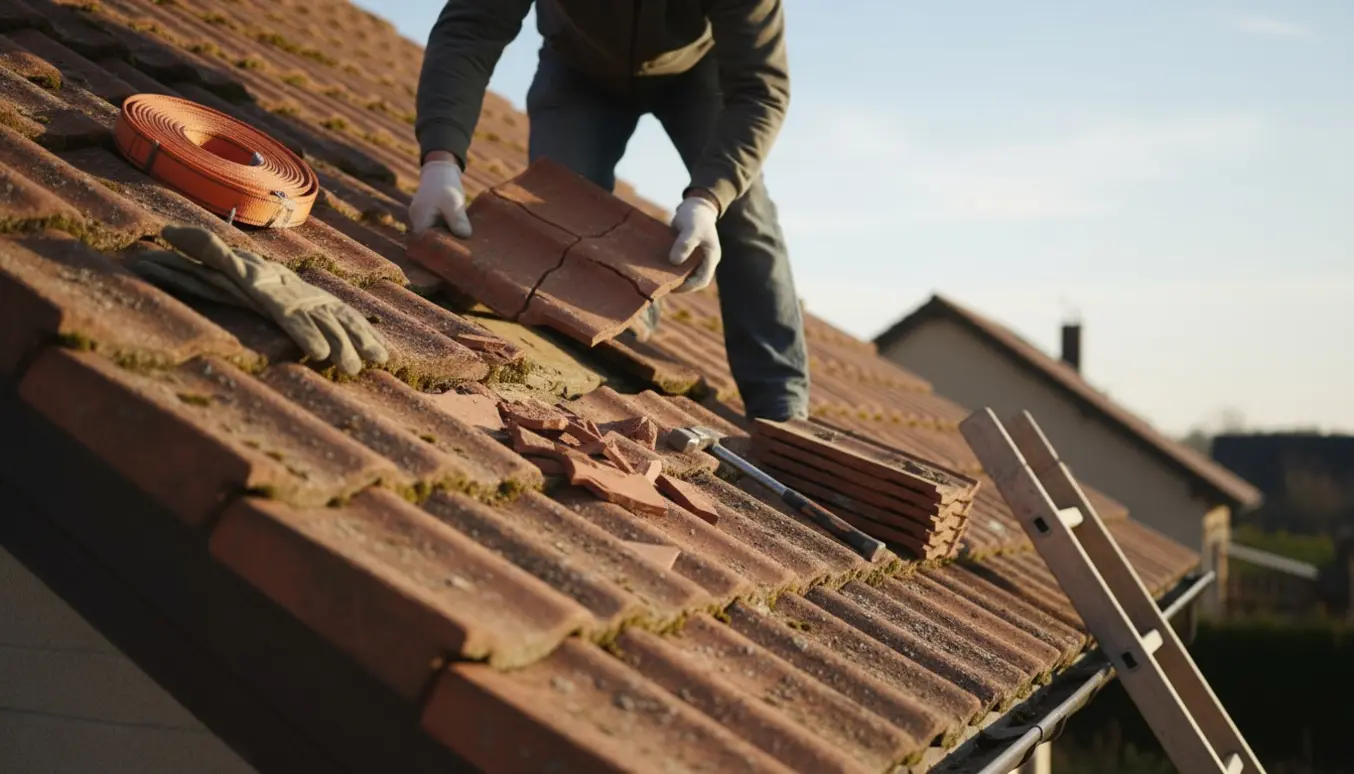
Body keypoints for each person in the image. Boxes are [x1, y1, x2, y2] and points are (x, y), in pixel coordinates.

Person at [409, 0, 810, 423]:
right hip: (579, 69)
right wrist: (441, 159)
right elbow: (470, 29)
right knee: (561, 210)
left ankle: (780, 403)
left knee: (744, 213)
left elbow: (761, 88)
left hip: (695, 75)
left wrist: (709, 198)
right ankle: (632, 312)